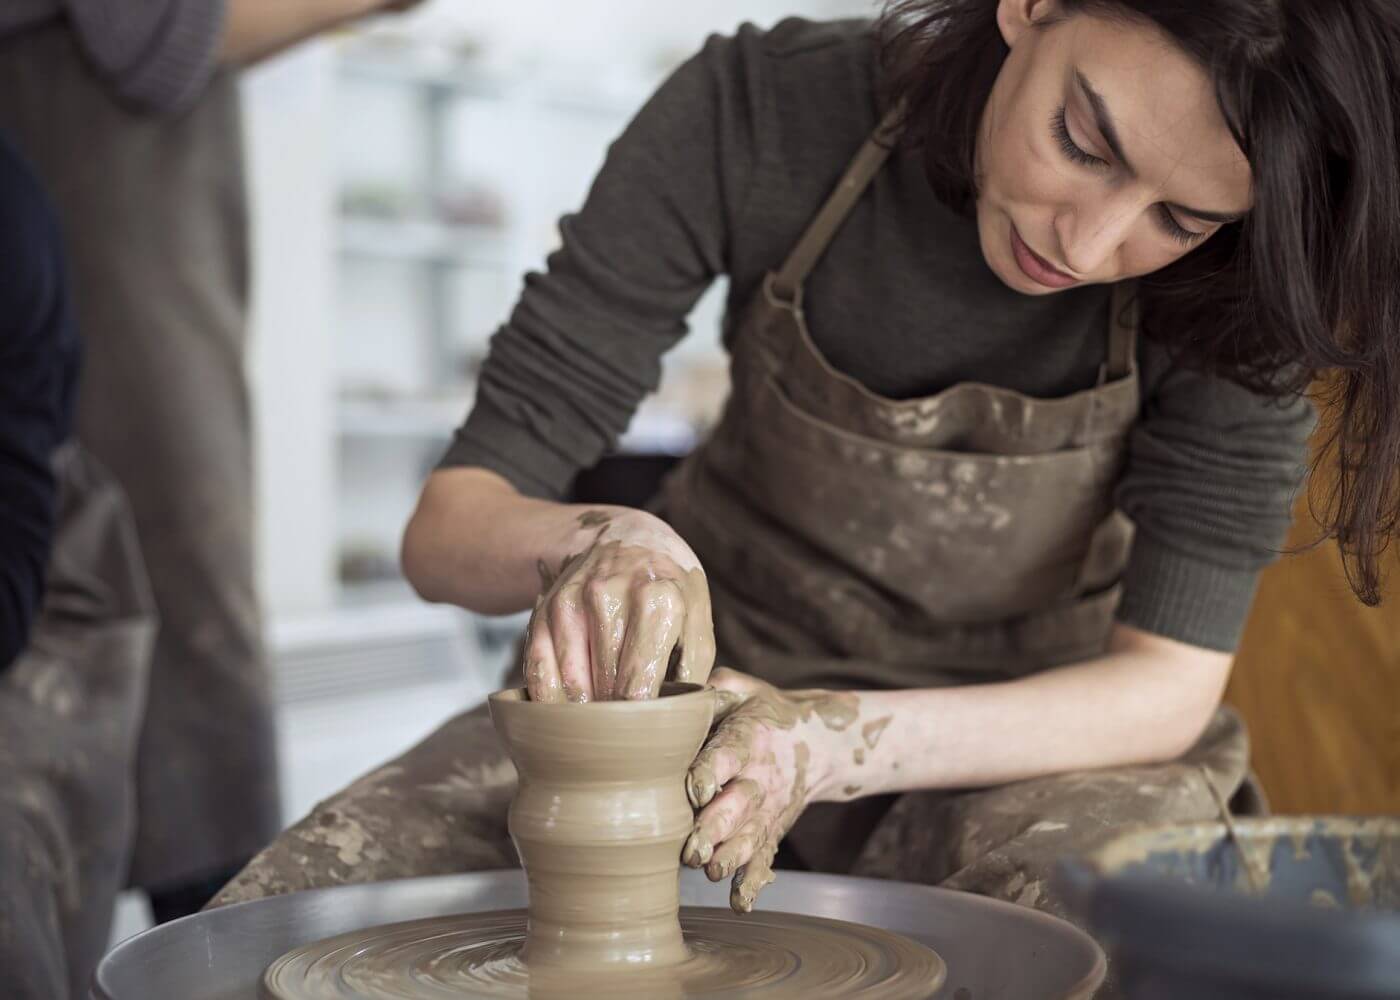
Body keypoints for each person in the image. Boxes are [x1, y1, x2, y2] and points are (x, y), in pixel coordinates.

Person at [218, 0, 1398, 930]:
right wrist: (591, 539)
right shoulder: (760, 113)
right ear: (1028, 5)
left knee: (1115, 946)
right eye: (1082, 142)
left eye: (1176, 217)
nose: (1088, 243)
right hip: (692, 690)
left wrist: (834, 743)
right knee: (298, 918)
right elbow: (446, 526)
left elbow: (1164, 687)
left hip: (1035, 728)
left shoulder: (1237, 288)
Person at [0, 3, 421, 997]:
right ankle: (216, 962)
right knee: (180, 601)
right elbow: (152, 37)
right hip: (75, 137)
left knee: (168, 609)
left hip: (95, 148)